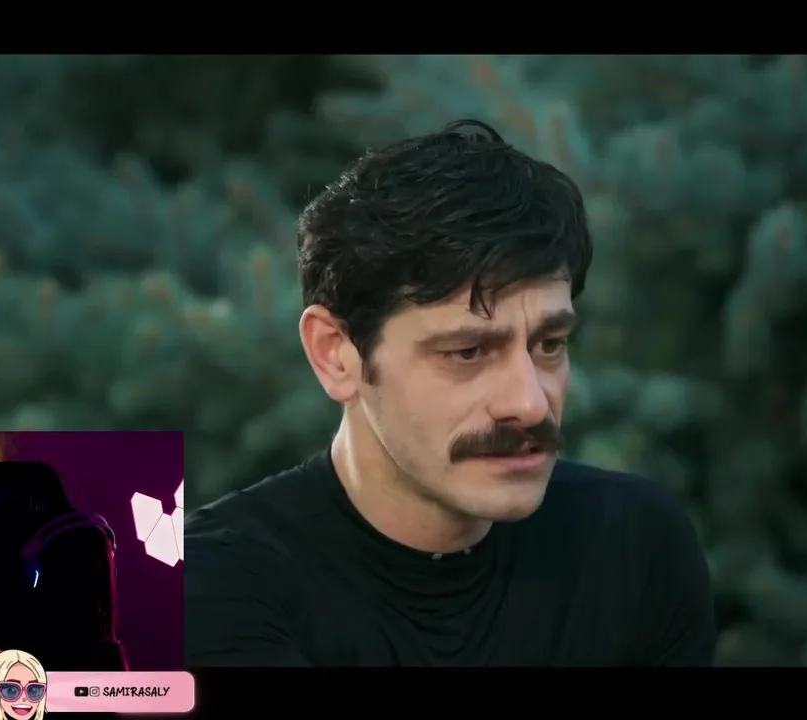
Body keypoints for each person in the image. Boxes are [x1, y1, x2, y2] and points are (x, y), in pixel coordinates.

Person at [184, 119, 717, 667]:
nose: (530, 403)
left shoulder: (633, 545)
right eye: (467, 352)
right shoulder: (198, 586)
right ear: (335, 354)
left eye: (549, 344)